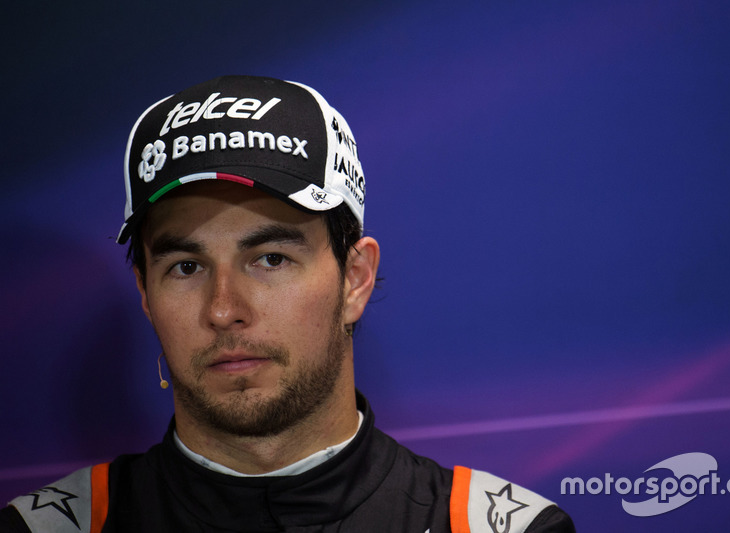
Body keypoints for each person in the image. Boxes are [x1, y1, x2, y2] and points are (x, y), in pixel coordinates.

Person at [1, 75, 574, 532]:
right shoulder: (46, 528)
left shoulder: (496, 527)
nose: (224, 310)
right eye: (186, 267)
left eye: (271, 259)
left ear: (355, 279)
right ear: (146, 295)